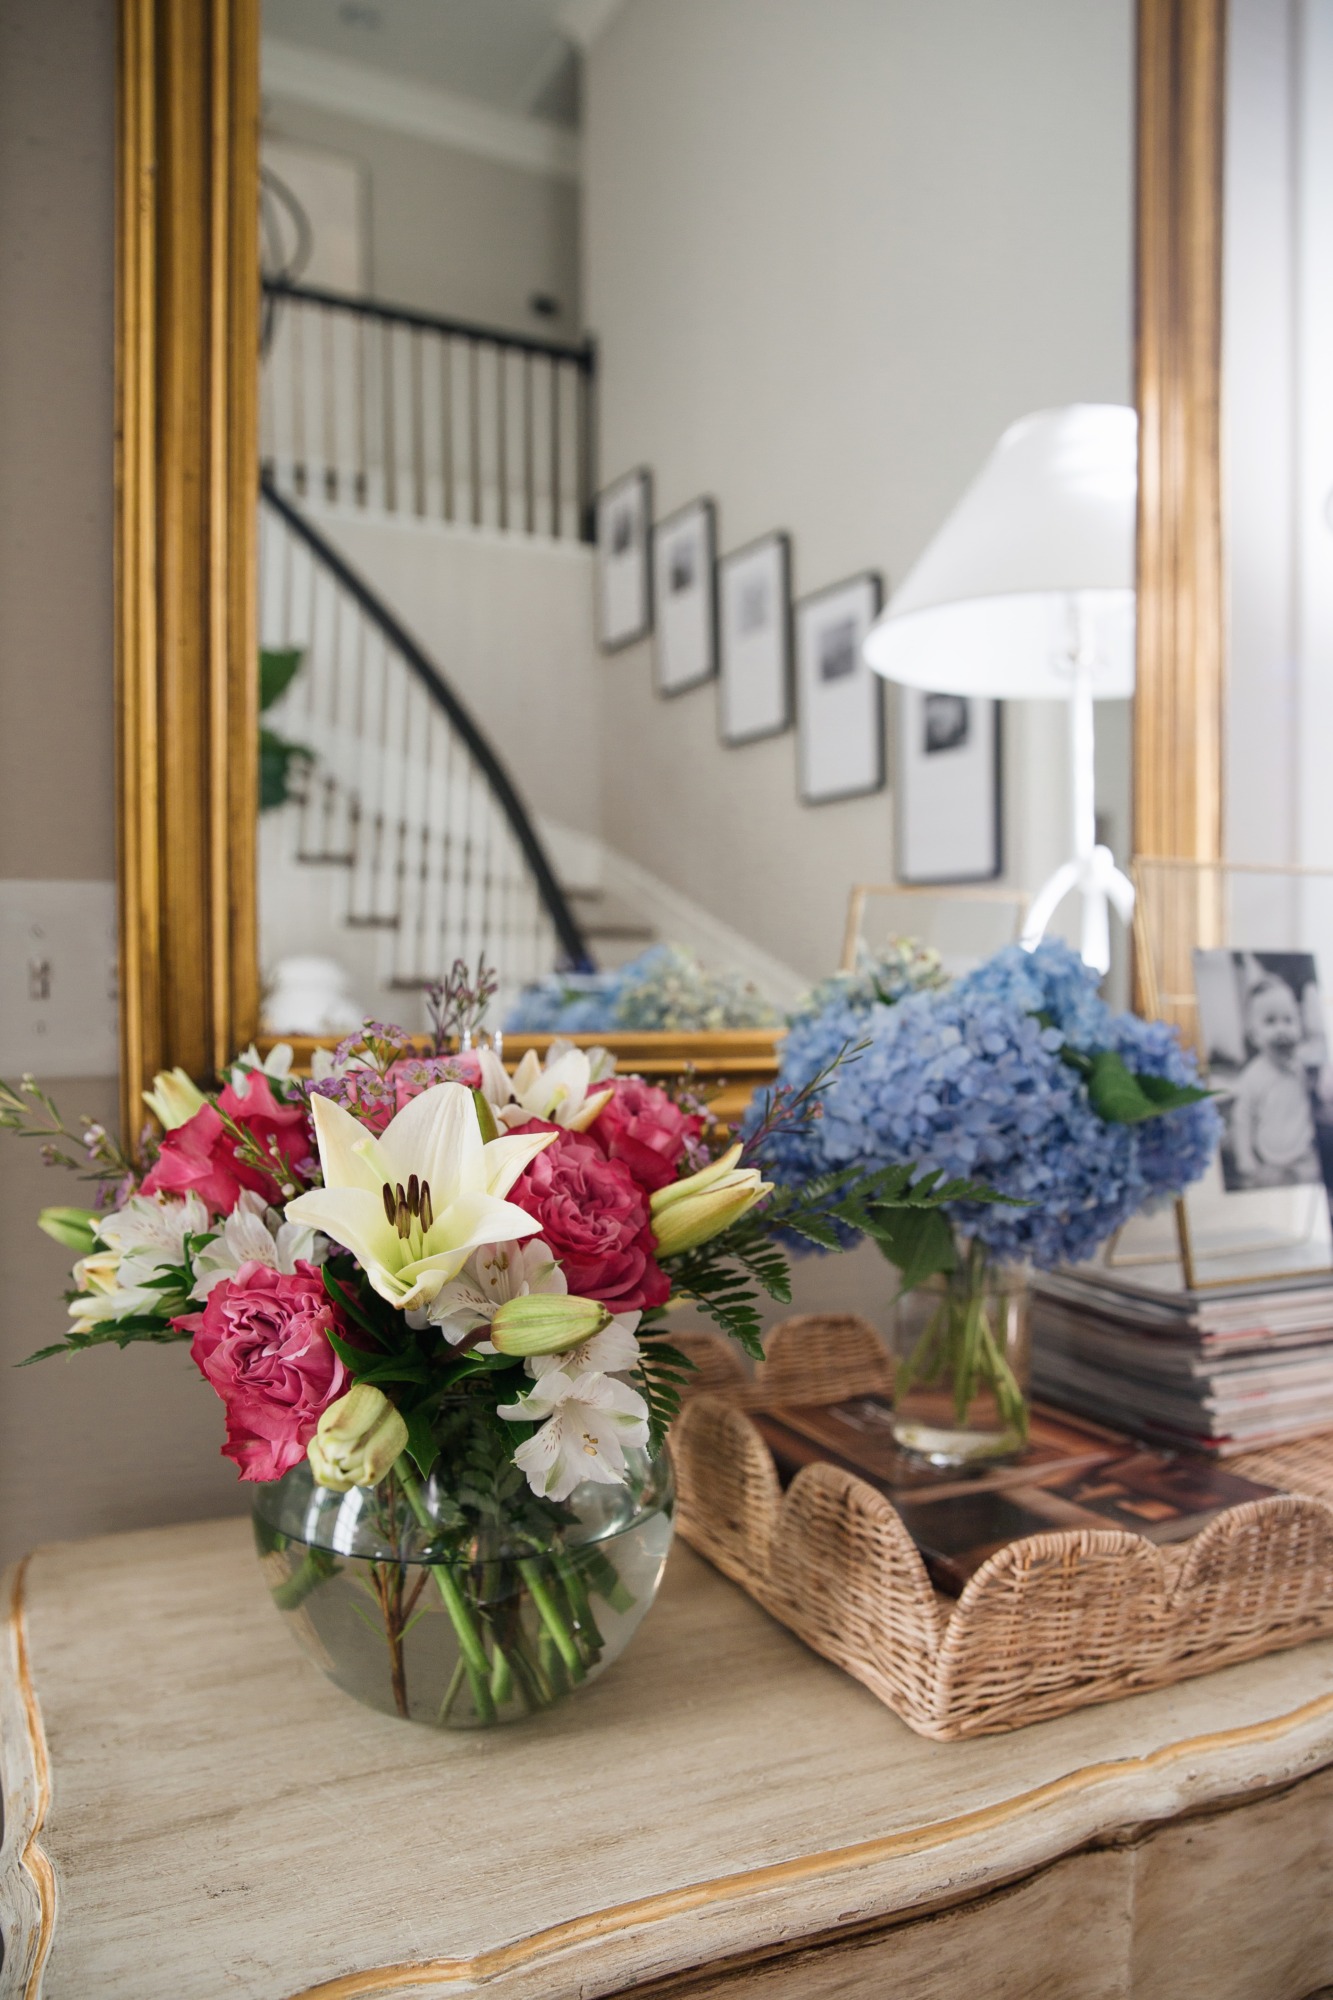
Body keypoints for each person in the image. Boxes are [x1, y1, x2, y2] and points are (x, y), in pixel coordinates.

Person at [1228, 971, 1322, 1188]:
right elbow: (1241, 1120)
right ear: (1254, 1035)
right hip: (1271, 1161)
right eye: (1270, 1021)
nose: (1282, 1029)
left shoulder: (1301, 1065)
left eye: (1289, 1020)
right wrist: (1245, 1157)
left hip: (1306, 1153)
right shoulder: (1253, 1076)